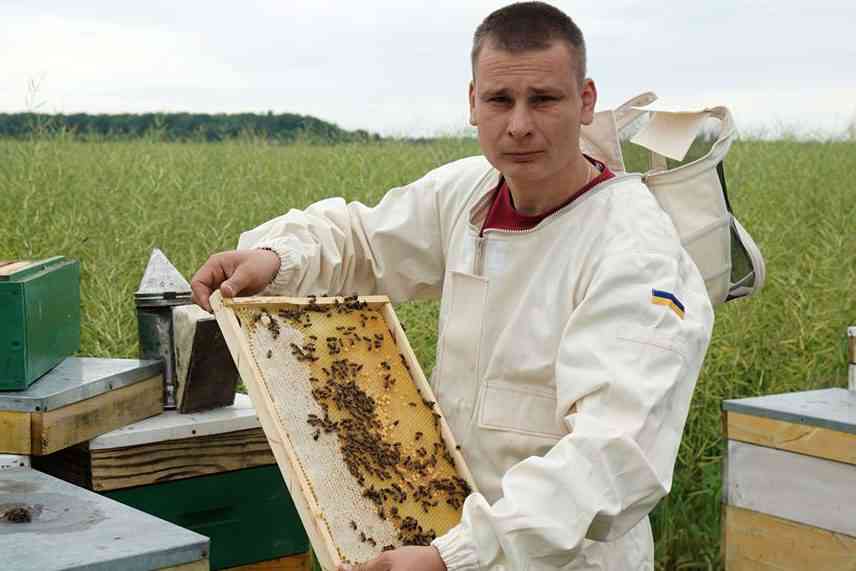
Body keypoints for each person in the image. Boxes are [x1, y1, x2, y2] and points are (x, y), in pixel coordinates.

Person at [191, 3, 713, 570]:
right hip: (440, 533)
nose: (519, 125)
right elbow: (363, 238)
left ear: (584, 101)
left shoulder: (636, 255)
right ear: (472, 102)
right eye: (499, 100)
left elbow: (613, 459)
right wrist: (276, 257)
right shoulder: (468, 193)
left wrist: (455, 557)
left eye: (543, 99)